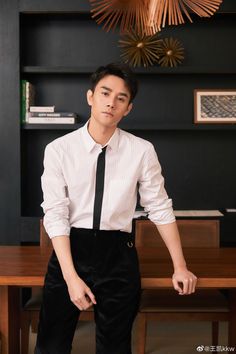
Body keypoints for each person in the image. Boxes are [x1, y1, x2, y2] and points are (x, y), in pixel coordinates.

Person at [35, 62, 197, 354]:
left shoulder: (142, 150)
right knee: (51, 345)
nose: (111, 102)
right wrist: (71, 278)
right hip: (71, 250)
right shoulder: (59, 149)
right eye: (105, 93)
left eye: (121, 98)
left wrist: (180, 266)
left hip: (118, 255)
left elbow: (160, 207)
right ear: (90, 96)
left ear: (128, 108)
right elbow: (56, 215)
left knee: (115, 346)